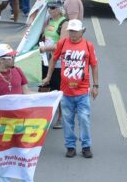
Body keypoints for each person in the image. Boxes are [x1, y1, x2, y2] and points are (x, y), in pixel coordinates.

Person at [42, 19, 99, 159]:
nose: (72, 34)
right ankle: (70, 146)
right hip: (66, 92)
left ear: (82, 31)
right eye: (71, 31)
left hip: (83, 91)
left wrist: (95, 86)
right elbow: (53, 60)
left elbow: (94, 65)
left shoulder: (88, 45)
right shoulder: (62, 43)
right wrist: (48, 76)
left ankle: (86, 146)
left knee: (84, 118)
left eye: (75, 31)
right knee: (67, 120)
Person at [0, 43, 33, 182]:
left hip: (21, 123)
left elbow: (27, 93)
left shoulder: (18, 71)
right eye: (10, 57)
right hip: (2, 126)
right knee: (2, 159)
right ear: (1, 59)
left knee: (25, 157)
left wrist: (49, 96)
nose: (14, 58)